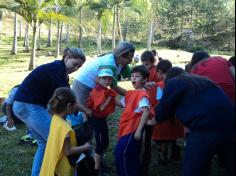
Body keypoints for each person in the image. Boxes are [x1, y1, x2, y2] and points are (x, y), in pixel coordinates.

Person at [13, 47, 90, 176]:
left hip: (22, 106)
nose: (76, 68)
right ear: (67, 57)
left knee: (44, 143)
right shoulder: (57, 70)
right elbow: (69, 99)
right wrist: (87, 111)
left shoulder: (59, 70)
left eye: (79, 66)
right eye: (74, 64)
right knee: (59, 141)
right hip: (28, 105)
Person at [149, 67, 235, 176]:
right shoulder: (204, 81)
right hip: (230, 123)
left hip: (205, 128)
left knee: (193, 169)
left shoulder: (173, 82)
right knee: (228, 161)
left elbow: (164, 107)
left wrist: (152, 120)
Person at [40, 87, 92, 176]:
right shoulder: (65, 128)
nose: (77, 106)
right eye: (75, 104)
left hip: (52, 161)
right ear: (68, 106)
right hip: (61, 168)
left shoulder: (55, 118)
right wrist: (86, 147)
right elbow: (68, 151)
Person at [114, 65, 154, 176]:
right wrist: (108, 93)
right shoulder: (131, 93)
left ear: (145, 79)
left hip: (132, 129)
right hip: (126, 128)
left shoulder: (142, 94)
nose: (133, 78)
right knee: (132, 154)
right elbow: (121, 104)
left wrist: (138, 131)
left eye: (137, 76)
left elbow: (146, 111)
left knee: (121, 154)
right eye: (132, 76)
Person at [72, 41, 135, 108]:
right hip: (83, 84)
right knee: (81, 110)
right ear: (121, 56)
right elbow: (114, 86)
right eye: (130, 57)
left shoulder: (122, 63)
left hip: (95, 86)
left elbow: (131, 76)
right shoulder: (110, 64)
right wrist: (133, 95)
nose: (131, 60)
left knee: (93, 110)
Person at [150, 60, 184, 166]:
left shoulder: (159, 86)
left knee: (163, 140)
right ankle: (175, 154)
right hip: (176, 117)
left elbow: (160, 102)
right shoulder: (178, 82)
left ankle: (163, 158)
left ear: (159, 72)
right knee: (173, 137)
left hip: (163, 118)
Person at [87, 67, 118, 175]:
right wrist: (109, 98)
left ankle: (99, 161)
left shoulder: (105, 90)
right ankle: (96, 169)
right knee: (100, 143)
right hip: (96, 120)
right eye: (104, 78)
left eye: (109, 79)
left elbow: (116, 101)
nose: (107, 81)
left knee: (106, 141)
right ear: (98, 79)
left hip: (102, 119)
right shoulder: (97, 91)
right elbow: (101, 108)